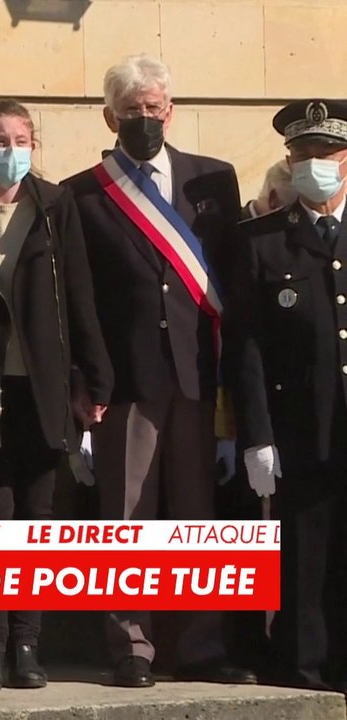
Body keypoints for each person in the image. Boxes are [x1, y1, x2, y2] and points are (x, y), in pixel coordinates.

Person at [61, 53, 255, 688]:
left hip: (199, 373)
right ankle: (132, 645)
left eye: (152, 108)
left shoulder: (213, 180)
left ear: (170, 111)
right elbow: (79, 299)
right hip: (126, 379)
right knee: (127, 516)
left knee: (199, 514)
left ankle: (201, 643)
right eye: (131, 110)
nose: (143, 118)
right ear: (109, 116)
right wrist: (84, 382)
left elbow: (230, 278)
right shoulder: (82, 193)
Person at [0, 100, 113, 691]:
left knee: (36, 519)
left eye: (20, 139)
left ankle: (27, 643)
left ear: (33, 145)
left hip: (43, 387)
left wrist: (93, 379)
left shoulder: (57, 207)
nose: (9, 151)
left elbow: (81, 295)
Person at [226, 99, 347, 692]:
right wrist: (257, 436)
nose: (313, 164)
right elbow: (245, 348)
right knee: (305, 549)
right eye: (302, 153)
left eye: (326, 153)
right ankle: (304, 666)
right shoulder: (262, 241)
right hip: (299, 424)